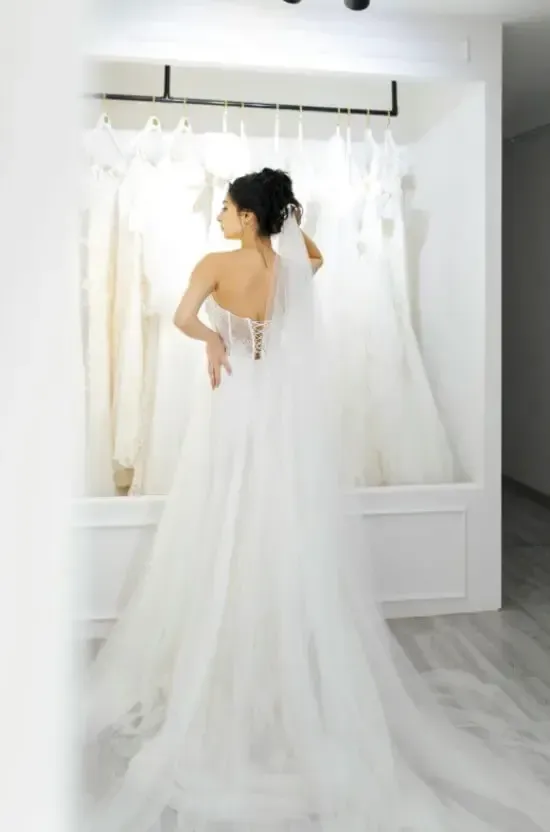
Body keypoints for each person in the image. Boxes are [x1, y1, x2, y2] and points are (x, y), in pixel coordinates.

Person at [82, 169, 550, 832]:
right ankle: (281, 647)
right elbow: (316, 255)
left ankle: (227, 642)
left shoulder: (216, 262)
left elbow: (184, 317)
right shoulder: (295, 264)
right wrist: (283, 230)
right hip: (284, 412)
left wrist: (215, 340)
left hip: (236, 401)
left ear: (247, 215)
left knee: (225, 517)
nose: (218, 216)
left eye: (227, 207)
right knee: (283, 521)